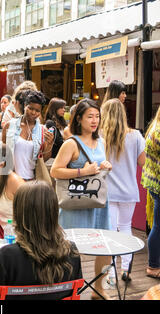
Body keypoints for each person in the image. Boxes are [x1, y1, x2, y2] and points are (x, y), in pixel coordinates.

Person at [50, 98, 112, 300]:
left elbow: (98, 164)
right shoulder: (71, 143)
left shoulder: (101, 140)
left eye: (97, 117)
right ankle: (65, 290)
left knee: (105, 247)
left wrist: (105, 165)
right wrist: (81, 171)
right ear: (78, 118)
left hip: (98, 203)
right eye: (90, 117)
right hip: (75, 203)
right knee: (69, 249)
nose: (95, 121)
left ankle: (99, 289)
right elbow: (55, 171)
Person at [0, 181, 83, 300]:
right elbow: (76, 289)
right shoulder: (71, 251)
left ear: (19, 213)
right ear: (53, 211)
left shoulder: (8, 256)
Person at [100, 98, 146, 285]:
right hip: (129, 190)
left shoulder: (100, 136)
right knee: (126, 227)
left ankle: (110, 273)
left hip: (108, 192)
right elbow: (142, 162)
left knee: (110, 231)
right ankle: (126, 268)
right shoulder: (135, 136)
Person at [2, 90, 54, 181]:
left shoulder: (42, 130)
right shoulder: (10, 125)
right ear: (25, 106)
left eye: (37, 111)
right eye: (30, 108)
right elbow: (1, 152)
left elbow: (43, 159)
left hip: (32, 180)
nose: (33, 112)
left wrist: (49, 144)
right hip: (11, 178)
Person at [141, 106, 160, 279]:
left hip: (154, 183)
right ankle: (153, 265)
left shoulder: (154, 127)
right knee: (158, 226)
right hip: (159, 185)